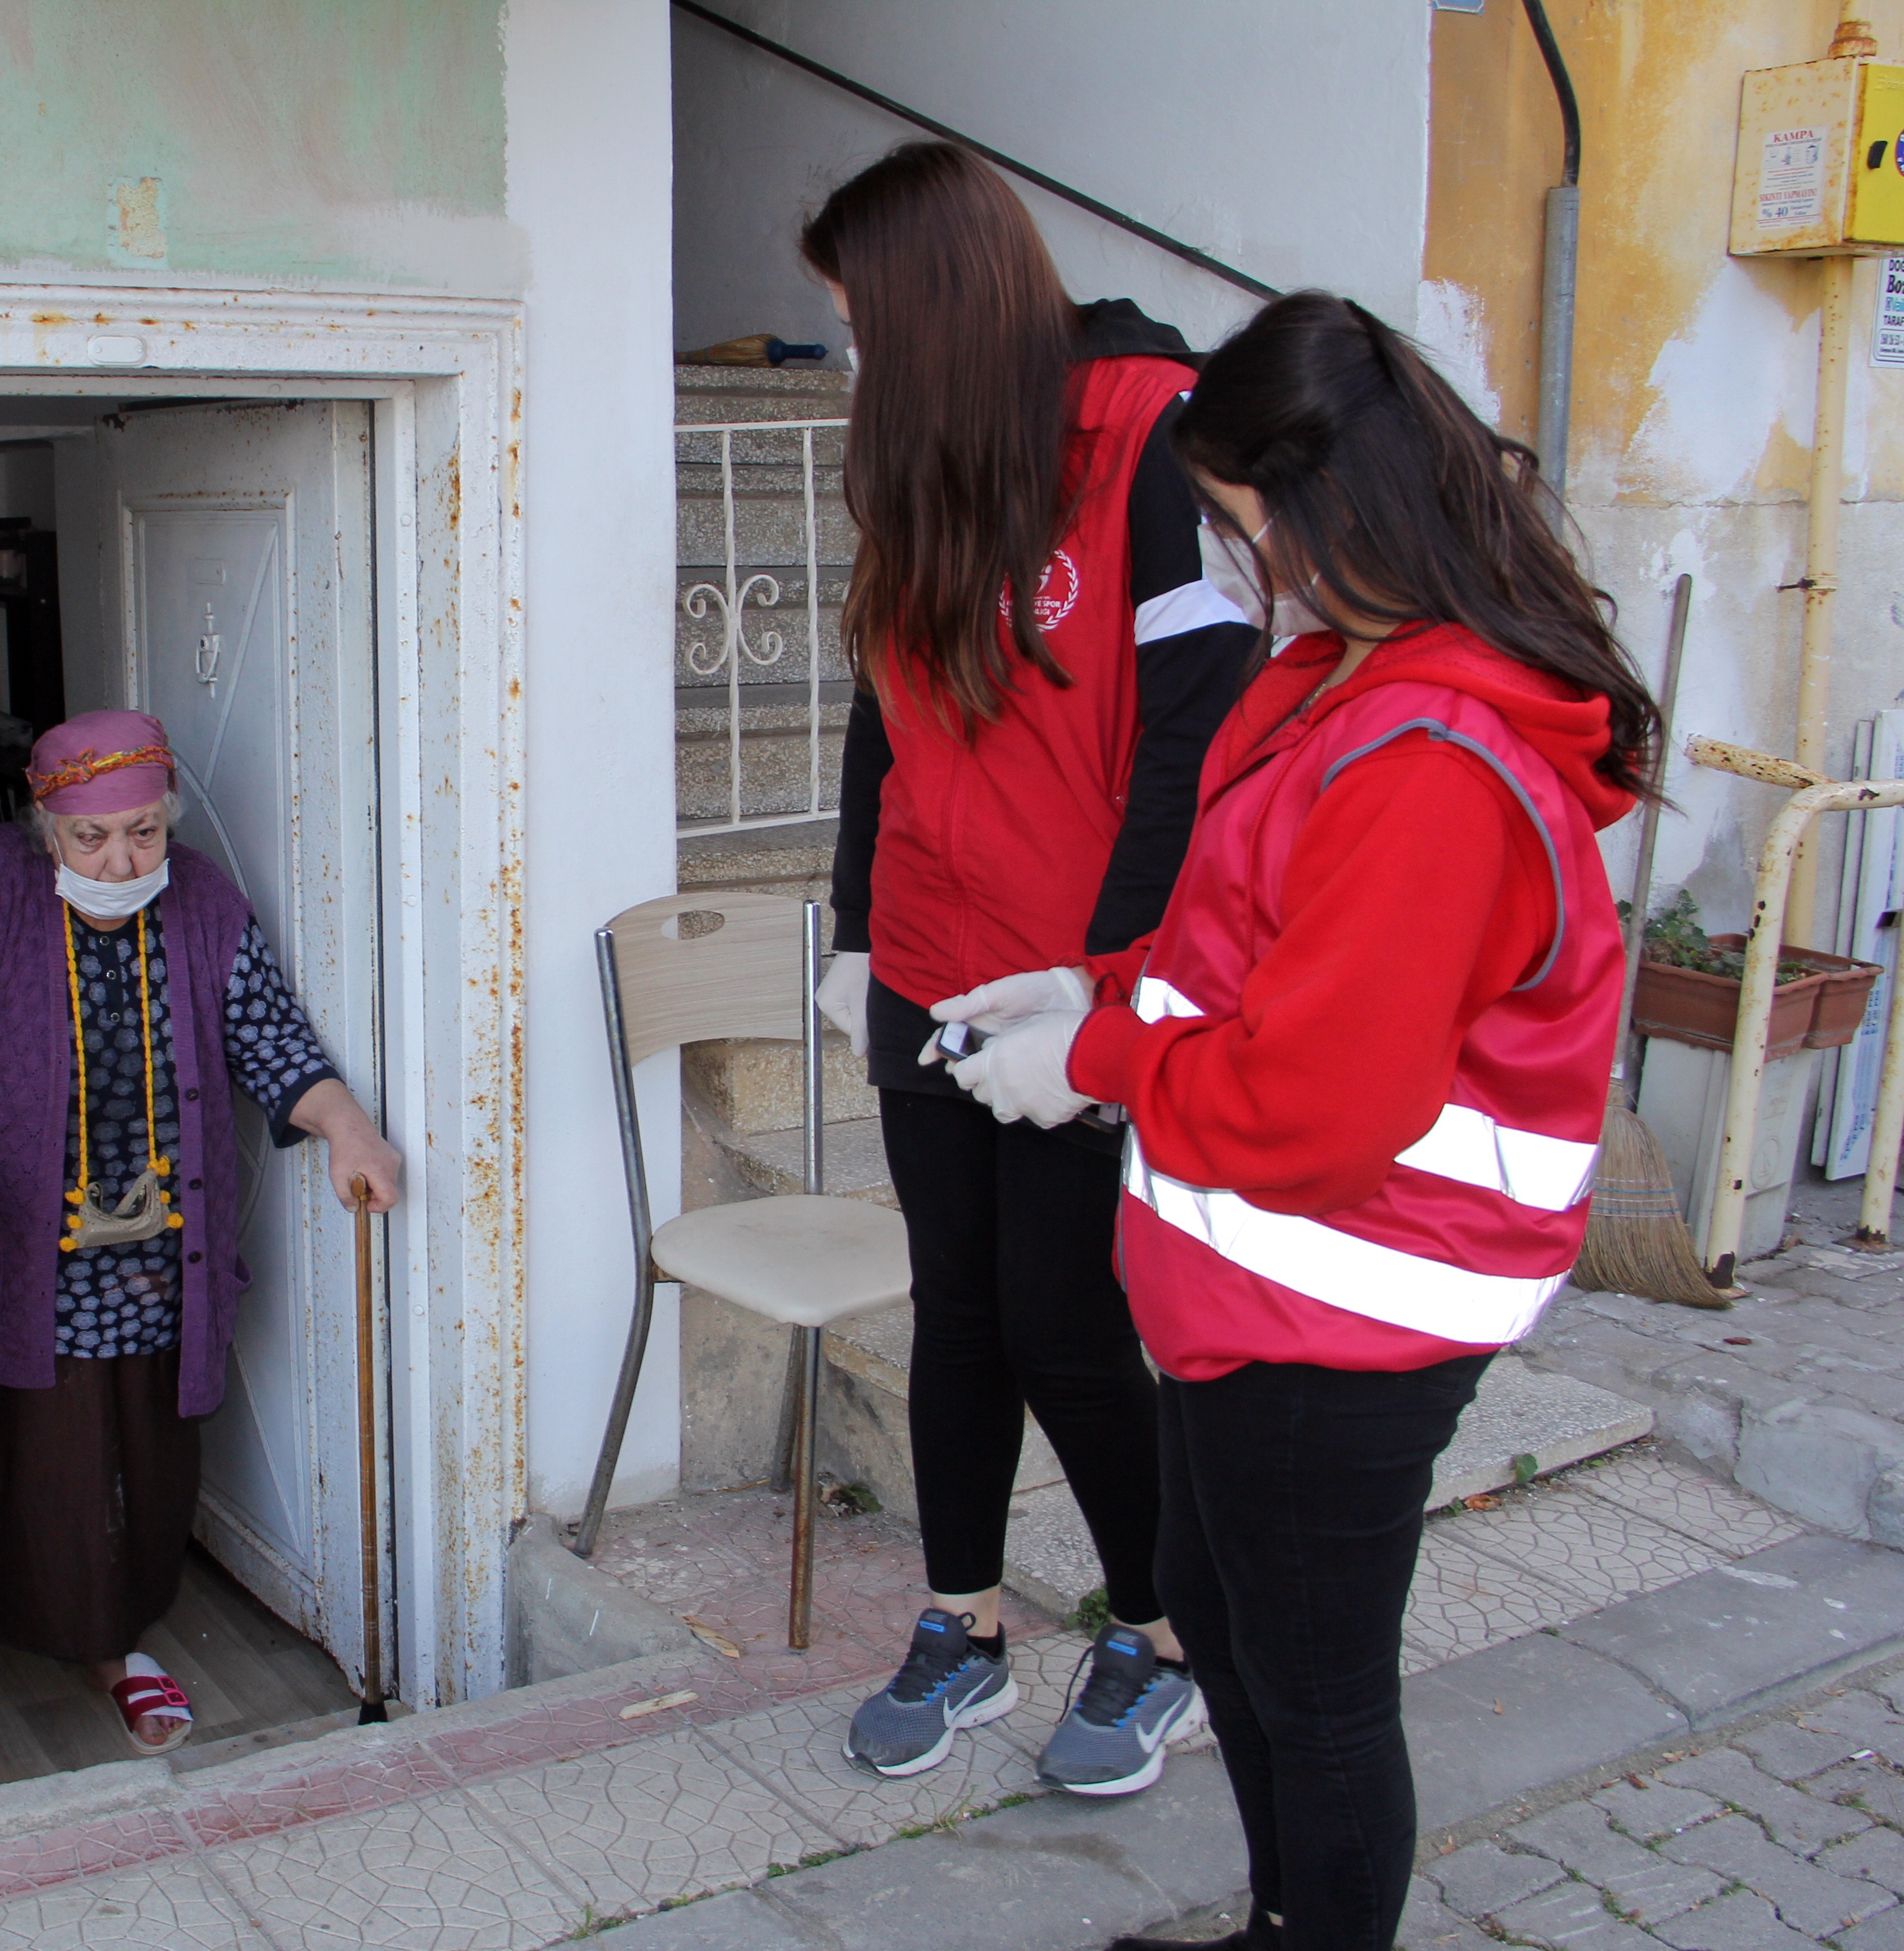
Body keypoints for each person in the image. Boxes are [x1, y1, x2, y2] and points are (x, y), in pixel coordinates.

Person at [944, 292, 1654, 1951]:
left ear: (1328, 507)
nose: (1231, 567)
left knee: (1315, 1697)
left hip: (1344, 1317)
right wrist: (1090, 986)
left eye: (1240, 529)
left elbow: (1317, 1100)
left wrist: (1097, 1068)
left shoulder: (1433, 755)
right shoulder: (1347, 678)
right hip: (1250, 1304)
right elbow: (1242, 943)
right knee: (1241, 1643)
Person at [802, 142, 1258, 1793]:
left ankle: (1161, 1637)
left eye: (862, 329)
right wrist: (857, 932)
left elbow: (1194, 748)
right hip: (930, 965)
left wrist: (1108, 994)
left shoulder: (1155, 438)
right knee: (961, 1313)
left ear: (936, 308)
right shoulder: (928, 451)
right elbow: (879, 713)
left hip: (1070, 993)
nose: (853, 364)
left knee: (1071, 1323)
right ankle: (966, 1624)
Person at [0, 708, 402, 1754]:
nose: (121, 857)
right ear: (44, 825)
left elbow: (271, 1038)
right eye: (91, 838)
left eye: (144, 831)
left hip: (146, 1254)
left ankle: (110, 1645)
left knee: (126, 1460)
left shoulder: (201, 901)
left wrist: (349, 1129)